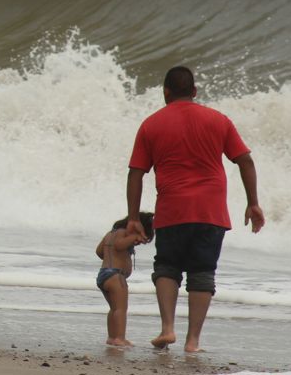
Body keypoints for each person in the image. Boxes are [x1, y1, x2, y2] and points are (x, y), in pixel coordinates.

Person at [126, 66, 264, 353]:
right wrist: (253, 203)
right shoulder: (218, 120)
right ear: (195, 92)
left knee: (167, 267)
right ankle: (193, 342)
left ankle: (167, 329)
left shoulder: (151, 124)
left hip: (172, 209)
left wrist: (133, 217)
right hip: (210, 211)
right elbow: (245, 161)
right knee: (202, 272)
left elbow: (136, 174)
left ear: (166, 92)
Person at [95, 211, 154, 347]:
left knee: (114, 309)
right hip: (116, 276)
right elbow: (119, 245)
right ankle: (120, 338)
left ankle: (112, 337)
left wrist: (111, 256)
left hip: (103, 274)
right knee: (121, 309)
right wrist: (133, 237)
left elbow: (99, 252)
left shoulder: (110, 233)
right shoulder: (123, 233)